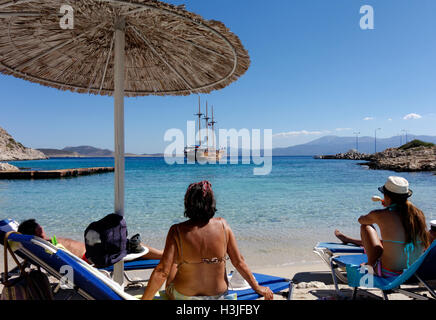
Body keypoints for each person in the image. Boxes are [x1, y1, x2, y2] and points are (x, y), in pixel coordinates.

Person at [141, 181, 274, 300]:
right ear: (211, 203)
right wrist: (257, 288)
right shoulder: (223, 225)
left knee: (173, 264)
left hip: (184, 296)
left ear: (187, 203)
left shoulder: (177, 230)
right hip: (218, 296)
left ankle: (172, 257)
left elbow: (162, 271)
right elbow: (239, 262)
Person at [334, 176, 430, 278]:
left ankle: (370, 265)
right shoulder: (418, 214)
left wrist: (384, 209)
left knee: (366, 227)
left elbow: (361, 220)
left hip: (388, 272)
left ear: (387, 197)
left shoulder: (380, 215)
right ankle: (350, 241)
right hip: (413, 273)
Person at [17, 219, 163, 262]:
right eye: (38, 226)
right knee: (136, 246)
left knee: (130, 245)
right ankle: (165, 255)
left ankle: (163, 254)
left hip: (94, 253)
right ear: (36, 231)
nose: (41, 226)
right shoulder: (45, 246)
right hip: (94, 259)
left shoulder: (43, 244)